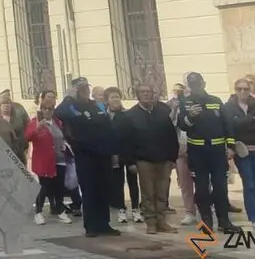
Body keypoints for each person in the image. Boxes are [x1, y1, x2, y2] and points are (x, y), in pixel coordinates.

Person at [55, 77, 118, 237]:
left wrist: (112, 151)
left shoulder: (96, 105)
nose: (85, 91)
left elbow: (107, 126)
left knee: (103, 190)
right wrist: (69, 97)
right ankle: (91, 226)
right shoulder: (71, 106)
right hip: (85, 155)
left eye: (86, 89)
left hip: (103, 153)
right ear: (75, 90)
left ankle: (104, 224)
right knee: (89, 190)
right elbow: (59, 112)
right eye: (81, 89)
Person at [179, 72, 240, 234]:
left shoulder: (215, 101)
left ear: (203, 84)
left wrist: (231, 146)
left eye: (198, 84)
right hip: (197, 153)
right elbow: (182, 125)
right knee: (201, 189)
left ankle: (224, 222)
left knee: (220, 187)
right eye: (192, 84)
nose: (196, 87)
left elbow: (227, 124)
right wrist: (190, 117)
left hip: (217, 152)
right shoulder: (186, 102)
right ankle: (206, 222)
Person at [119, 83, 178, 233]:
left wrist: (173, 158)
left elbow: (171, 136)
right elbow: (126, 141)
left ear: (153, 94)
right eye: (143, 92)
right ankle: (151, 222)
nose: (146, 94)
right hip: (143, 160)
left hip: (164, 160)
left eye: (148, 92)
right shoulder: (130, 116)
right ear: (137, 95)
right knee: (148, 193)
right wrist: (130, 162)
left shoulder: (162, 113)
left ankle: (162, 221)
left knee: (162, 192)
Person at [223, 77, 255, 229]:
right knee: (249, 184)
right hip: (242, 151)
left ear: (250, 90)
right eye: (239, 89)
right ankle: (254, 217)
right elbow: (231, 126)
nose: (242, 92)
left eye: (245, 89)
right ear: (235, 90)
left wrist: (241, 122)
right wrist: (251, 121)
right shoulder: (228, 107)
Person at [26, 89, 71, 226]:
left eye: (50, 109)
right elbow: (28, 137)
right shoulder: (35, 122)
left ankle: (59, 209)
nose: (47, 111)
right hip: (44, 160)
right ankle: (38, 212)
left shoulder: (58, 122)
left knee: (59, 186)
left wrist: (65, 146)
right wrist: (37, 128)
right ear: (41, 109)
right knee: (44, 186)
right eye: (45, 109)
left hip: (60, 159)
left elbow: (62, 137)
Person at [103, 87, 140, 225]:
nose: (116, 100)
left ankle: (136, 209)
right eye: (112, 97)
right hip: (114, 156)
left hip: (129, 155)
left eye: (117, 97)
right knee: (117, 184)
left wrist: (133, 158)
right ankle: (121, 210)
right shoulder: (104, 117)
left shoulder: (127, 115)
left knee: (133, 182)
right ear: (107, 101)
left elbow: (133, 137)